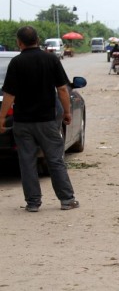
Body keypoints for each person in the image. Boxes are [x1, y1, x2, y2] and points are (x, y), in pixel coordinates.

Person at [0, 26, 79, 212]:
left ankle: (33, 203)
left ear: (20, 42)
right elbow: (62, 89)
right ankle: (67, 200)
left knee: (27, 162)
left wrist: (1, 117)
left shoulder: (16, 63)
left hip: (23, 122)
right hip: (47, 121)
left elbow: (9, 94)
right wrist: (67, 112)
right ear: (38, 39)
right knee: (55, 160)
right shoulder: (51, 59)